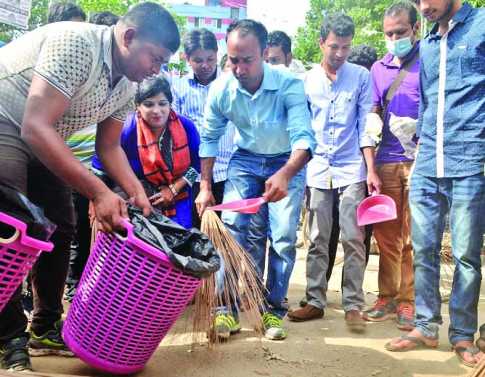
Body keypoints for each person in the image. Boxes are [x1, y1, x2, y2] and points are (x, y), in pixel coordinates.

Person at [0, 2, 180, 372]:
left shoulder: (127, 84)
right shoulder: (76, 43)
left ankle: (45, 324)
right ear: (129, 37)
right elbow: (34, 125)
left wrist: (136, 194)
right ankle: (9, 336)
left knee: (59, 227)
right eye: (155, 58)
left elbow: (109, 147)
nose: (156, 70)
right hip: (7, 123)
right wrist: (99, 192)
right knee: (14, 225)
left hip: (45, 137)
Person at [196, 19, 315, 341]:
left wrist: (285, 174)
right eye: (233, 59)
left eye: (247, 59)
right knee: (233, 229)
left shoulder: (289, 84)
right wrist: (206, 186)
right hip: (245, 161)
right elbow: (209, 139)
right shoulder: (222, 89)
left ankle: (271, 309)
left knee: (283, 237)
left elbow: (305, 139)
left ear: (263, 53)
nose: (239, 67)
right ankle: (225, 310)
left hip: (287, 162)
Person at [385, 0, 485, 369]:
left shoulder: (481, 27)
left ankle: (462, 334)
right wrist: (421, 144)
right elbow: (426, 102)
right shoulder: (426, 44)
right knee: (423, 248)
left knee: (466, 256)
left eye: (428, 0)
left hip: (468, 159)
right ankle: (426, 326)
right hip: (427, 162)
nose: (423, 7)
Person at [287, 13, 380, 332]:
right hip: (317, 168)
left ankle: (354, 304)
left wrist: (370, 169)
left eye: (345, 47)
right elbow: (300, 128)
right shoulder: (307, 80)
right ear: (321, 43)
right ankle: (315, 300)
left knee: (354, 238)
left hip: (351, 167)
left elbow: (365, 125)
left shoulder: (360, 77)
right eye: (334, 47)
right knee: (317, 237)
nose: (340, 53)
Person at [362, 1, 420, 332]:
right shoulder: (378, 69)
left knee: (412, 236)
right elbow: (372, 116)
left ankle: (408, 301)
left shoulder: (428, 62)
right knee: (385, 235)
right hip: (385, 162)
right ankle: (386, 296)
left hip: (419, 161)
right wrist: (370, 165)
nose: (395, 37)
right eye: (389, 33)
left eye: (400, 31)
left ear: (415, 29)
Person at [63, 10, 121, 303]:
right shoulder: (72, 67)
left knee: (78, 235)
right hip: (65, 164)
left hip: (90, 171)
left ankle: (83, 289)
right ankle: (72, 286)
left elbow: (109, 146)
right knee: (67, 234)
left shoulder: (119, 86)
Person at [92, 75, 200, 229]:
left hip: (178, 196)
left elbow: (196, 167)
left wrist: (173, 190)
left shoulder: (186, 126)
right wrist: (96, 199)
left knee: (180, 242)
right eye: (148, 104)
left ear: (170, 103)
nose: (157, 111)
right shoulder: (126, 130)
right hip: (134, 200)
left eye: (162, 104)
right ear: (137, 105)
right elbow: (100, 165)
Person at [171, 28, 235, 228]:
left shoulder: (231, 85)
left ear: (217, 54)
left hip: (228, 172)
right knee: (195, 231)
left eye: (210, 59)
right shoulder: (178, 88)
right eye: (198, 60)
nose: (205, 65)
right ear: (187, 58)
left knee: (228, 232)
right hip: (192, 175)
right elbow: (175, 132)